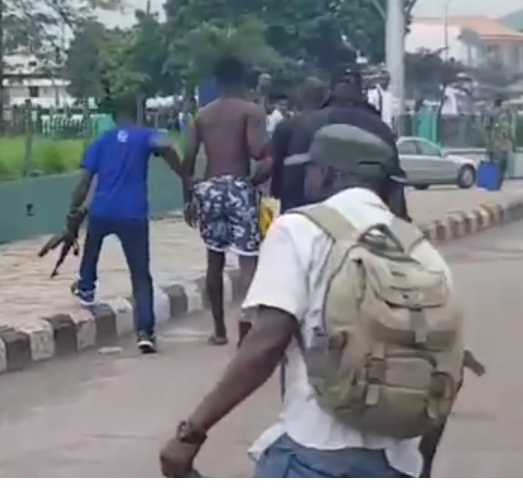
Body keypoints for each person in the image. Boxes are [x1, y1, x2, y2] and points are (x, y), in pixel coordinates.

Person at [159, 124, 457, 478]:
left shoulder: (299, 229)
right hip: (396, 462)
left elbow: (266, 343)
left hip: (313, 453)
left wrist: (192, 431)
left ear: (327, 173)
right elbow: (447, 366)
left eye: (312, 169)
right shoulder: (420, 249)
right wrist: (420, 469)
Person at [69, 94, 188, 354]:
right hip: (133, 213)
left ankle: (86, 287)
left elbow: (84, 182)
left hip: (102, 210)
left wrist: (72, 214)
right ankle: (145, 332)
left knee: (91, 248)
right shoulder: (145, 135)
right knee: (140, 274)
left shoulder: (102, 141)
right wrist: (183, 174)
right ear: (137, 113)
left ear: (113, 116)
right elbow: (165, 145)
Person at [183, 56, 267, 347]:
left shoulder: (202, 115)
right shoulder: (250, 111)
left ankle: (219, 330)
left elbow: (188, 160)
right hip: (238, 186)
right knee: (248, 259)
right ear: (243, 80)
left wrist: (189, 199)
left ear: (217, 82)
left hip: (209, 188)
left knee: (214, 259)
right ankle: (247, 325)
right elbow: (256, 151)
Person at [279, 66, 410, 220]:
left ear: (330, 91)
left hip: (316, 220)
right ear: (361, 91)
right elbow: (395, 187)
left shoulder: (309, 124)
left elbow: (292, 182)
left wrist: (289, 220)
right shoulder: (381, 128)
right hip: (370, 220)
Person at [268, 77, 327, 210]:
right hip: (322, 197)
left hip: (291, 196)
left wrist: (275, 194)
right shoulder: (329, 125)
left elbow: (275, 164)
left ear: (300, 96)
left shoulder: (286, 125)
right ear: (324, 97)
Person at [485, 95, 514, 187]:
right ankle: (498, 180)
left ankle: (494, 181)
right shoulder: (507, 112)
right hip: (503, 142)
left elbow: (487, 127)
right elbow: (511, 128)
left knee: (494, 162)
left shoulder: (491, 112)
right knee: (502, 162)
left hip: (495, 142)